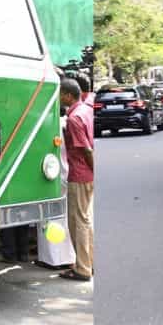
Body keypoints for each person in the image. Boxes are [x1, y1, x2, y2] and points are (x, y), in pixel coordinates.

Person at [60, 76, 93, 281]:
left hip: (80, 175)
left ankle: (82, 268)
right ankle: (89, 262)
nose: (58, 97)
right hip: (86, 175)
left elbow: (86, 150)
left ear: (68, 95)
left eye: (59, 94)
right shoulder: (86, 110)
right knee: (86, 220)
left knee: (78, 223)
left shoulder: (74, 119)